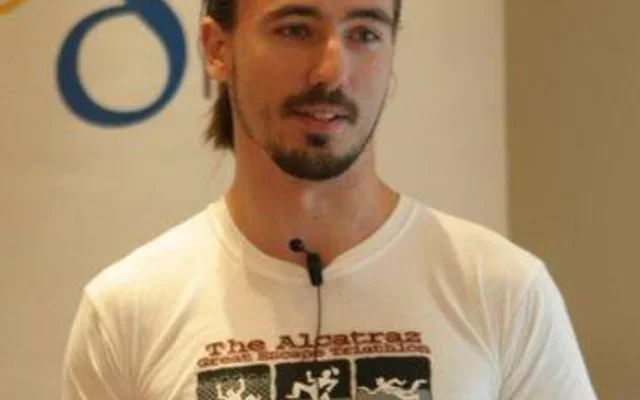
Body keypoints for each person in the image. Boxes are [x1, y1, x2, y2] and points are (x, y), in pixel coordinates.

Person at [62, 0, 597, 399]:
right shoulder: (129, 310)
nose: (331, 70)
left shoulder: (501, 289)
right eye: (295, 29)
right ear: (217, 49)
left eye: (365, 33)